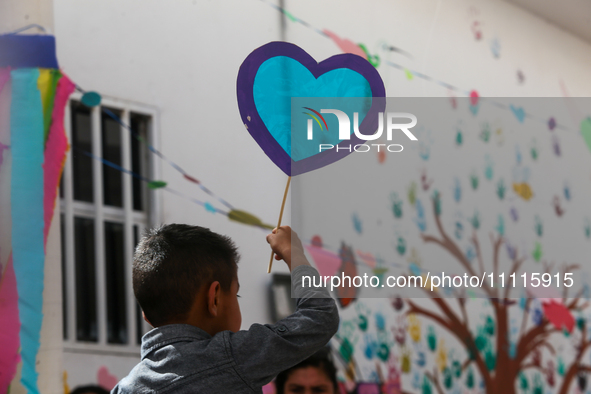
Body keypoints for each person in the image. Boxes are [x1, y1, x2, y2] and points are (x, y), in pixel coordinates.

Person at [112, 224, 339, 394]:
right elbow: (319, 314)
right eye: (236, 293)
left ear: (146, 315)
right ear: (215, 298)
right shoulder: (231, 357)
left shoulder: (124, 388)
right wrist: (293, 252)